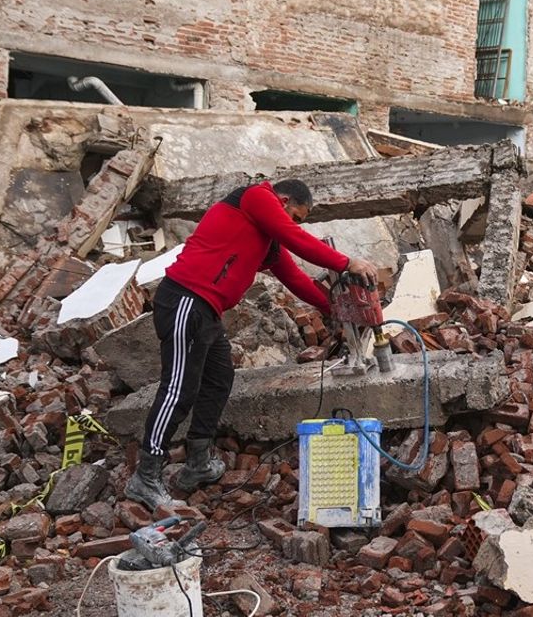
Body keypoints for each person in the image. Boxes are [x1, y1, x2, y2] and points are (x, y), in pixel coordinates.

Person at [126, 179, 378, 509]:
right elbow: (293, 236)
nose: (293, 224)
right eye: (295, 216)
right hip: (185, 299)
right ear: (283, 200)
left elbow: (295, 277)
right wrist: (346, 262)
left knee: (218, 381)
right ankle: (145, 476)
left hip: (207, 310)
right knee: (178, 389)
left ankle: (198, 463)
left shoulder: (267, 237)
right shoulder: (257, 197)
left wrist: (335, 309)